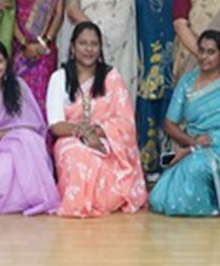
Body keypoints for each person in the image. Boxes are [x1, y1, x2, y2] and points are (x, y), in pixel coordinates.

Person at [46, 22, 148, 218]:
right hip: (70, 139)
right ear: (73, 47)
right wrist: (84, 134)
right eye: (83, 43)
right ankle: (81, 203)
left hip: (107, 139)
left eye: (94, 44)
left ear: (100, 48)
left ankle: (98, 202)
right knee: (78, 156)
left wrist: (96, 134)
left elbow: (125, 121)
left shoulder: (111, 77)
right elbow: (56, 126)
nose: (89, 49)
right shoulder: (59, 78)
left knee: (100, 158)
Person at [148, 29, 220, 217]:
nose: (204, 57)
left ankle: (212, 205)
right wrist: (192, 144)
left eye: (211, 52)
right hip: (192, 147)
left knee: (196, 167)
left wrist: (196, 148)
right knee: (157, 197)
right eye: (201, 51)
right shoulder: (187, 81)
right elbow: (169, 124)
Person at [0, 40, 61, 215]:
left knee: (26, 145)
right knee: (3, 169)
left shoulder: (18, 86)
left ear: (7, 63)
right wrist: (14, 134)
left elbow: (33, 127)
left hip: (14, 146)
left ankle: (26, 198)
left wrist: (13, 135)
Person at [132, 0, 186, 177]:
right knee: (147, 107)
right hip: (146, 54)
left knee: (173, 107)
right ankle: (148, 165)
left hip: (175, 54)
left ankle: (171, 164)